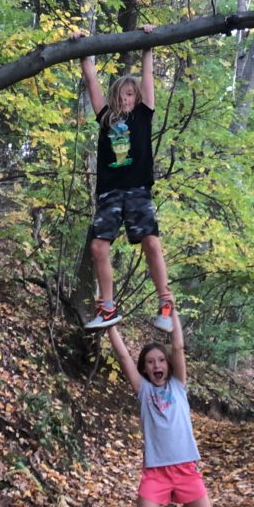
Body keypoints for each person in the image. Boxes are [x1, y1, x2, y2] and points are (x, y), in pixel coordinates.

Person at [105, 311, 232, 507]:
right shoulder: (144, 391)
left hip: (186, 470)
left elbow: (177, 345)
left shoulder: (178, 385)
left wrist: (171, 312)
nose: (156, 365)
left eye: (161, 360)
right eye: (150, 362)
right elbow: (124, 357)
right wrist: (109, 326)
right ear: (144, 369)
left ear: (169, 365)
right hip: (155, 473)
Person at [74, 24, 174, 332]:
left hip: (138, 190)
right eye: (122, 94)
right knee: (97, 248)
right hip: (109, 193)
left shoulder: (144, 115)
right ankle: (107, 306)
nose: (127, 98)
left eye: (132, 94)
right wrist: (83, 51)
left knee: (151, 243)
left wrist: (148, 45)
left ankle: (165, 302)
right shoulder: (106, 119)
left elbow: (147, 79)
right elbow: (92, 81)